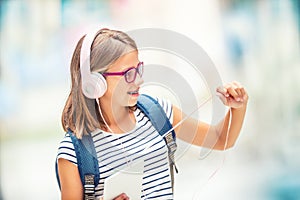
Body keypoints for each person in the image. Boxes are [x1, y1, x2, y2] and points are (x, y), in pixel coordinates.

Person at [56, 27, 248, 200]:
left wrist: (237, 108)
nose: (138, 80)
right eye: (128, 74)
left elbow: (221, 139)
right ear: (95, 83)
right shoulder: (74, 152)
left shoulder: (158, 113)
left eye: (138, 69)